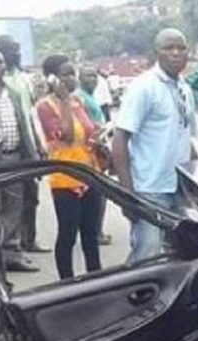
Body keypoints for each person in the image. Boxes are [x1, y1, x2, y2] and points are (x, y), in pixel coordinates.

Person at [113, 28, 197, 265]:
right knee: (147, 256)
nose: (176, 53)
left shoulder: (184, 87)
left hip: (179, 188)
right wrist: (127, 195)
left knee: (179, 256)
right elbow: (120, 138)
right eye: (169, 48)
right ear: (156, 53)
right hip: (149, 190)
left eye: (181, 48)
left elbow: (184, 136)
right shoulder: (145, 87)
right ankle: (134, 289)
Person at [36, 55, 104, 281]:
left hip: (88, 173)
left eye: (72, 74)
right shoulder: (45, 106)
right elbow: (65, 134)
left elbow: (88, 130)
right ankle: (67, 282)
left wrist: (98, 135)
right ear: (52, 78)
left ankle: (96, 279)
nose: (71, 79)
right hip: (65, 178)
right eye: (65, 74)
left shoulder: (79, 102)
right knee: (68, 234)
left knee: (90, 233)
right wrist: (64, 102)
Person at [0, 50, 40, 275]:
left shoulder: (11, 92)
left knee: (14, 206)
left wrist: (31, 156)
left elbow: (23, 124)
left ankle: (12, 254)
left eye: (1, 62)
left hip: (15, 156)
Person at [0, 34, 50, 256]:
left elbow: (30, 116)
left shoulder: (23, 78)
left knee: (31, 196)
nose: (17, 54)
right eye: (12, 50)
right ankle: (11, 247)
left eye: (18, 49)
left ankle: (29, 240)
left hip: (27, 146)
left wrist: (39, 144)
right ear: (0, 52)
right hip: (5, 151)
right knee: (10, 202)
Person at [76, 63, 113, 247]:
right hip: (90, 153)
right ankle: (95, 232)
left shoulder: (90, 97)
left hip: (96, 152)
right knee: (96, 194)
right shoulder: (80, 98)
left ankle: (95, 230)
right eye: (87, 76)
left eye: (94, 76)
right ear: (80, 78)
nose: (92, 79)